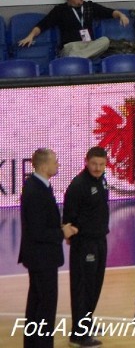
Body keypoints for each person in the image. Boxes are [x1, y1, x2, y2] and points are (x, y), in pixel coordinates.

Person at [18, 148, 78, 348]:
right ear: (44, 166)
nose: (57, 165)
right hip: (41, 258)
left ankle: (33, 343)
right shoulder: (36, 191)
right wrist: (62, 233)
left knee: (36, 302)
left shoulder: (38, 186)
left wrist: (59, 228)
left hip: (39, 257)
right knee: (45, 305)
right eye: (55, 162)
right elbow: (37, 232)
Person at [63, 146, 110, 347]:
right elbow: (68, 217)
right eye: (94, 164)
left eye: (101, 164)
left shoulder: (102, 180)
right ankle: (78, 334)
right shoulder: (78, 185)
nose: (98, 168)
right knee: (83, 287)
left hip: (100, 239)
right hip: (84, 243)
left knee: (95, 284)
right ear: (86, 161)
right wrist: (73, 236)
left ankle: (86, 321)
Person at [18, 0, 129, 59]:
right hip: (71, 46)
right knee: (71, 50)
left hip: (89, 45)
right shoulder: (60, 10)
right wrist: (30, 36)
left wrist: (121, 15)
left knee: (105, 40)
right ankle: (78, 58)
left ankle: (76, 59)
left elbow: (109, 12)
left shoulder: (89, 6)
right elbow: (43, 25)